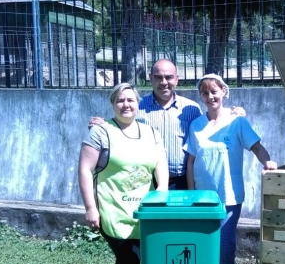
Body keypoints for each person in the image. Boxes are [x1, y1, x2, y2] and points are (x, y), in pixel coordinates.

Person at [78, 83, 169, 264]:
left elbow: (159, 160)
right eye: (120, 101)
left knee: (130, 260)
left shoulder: (150, 131)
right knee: (130, 259)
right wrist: (90, 208)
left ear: (138, 104)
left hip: (144, 211)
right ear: (113, 104)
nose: (126, 105)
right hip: (113, 209)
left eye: (130, 100)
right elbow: (85, 170)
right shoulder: (101, 132)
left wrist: (162, 188)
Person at [183, 74, 277, 264]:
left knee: (224, 247)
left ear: (224, 91)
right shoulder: (196, 125)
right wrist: (191, 192)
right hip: (202, 198)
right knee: (203, 245)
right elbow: (191, 161)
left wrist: (268, 162)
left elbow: (256, 147)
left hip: (229, 197)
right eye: (205, 93)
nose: (210, 96)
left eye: (214, 91)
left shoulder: (237, 122)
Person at [89, 59, 244, 189]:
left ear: (177, 79)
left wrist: (234, 115)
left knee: (180, 225)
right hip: (146, 182)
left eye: (169, 77)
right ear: (151, 78)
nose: (164, 82)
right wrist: (104, 126)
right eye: (158, 77)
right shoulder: (137, 108)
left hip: (182, 181)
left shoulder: (191, 109)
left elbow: (210, 127)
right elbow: (121, 126)